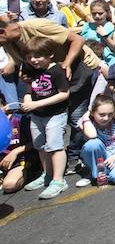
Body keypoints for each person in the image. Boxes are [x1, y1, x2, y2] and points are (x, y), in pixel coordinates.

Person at [0, 17, 99, 174]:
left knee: (76, 118)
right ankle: (54, 166)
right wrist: (25, 75)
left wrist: (66, 63)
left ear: (3, 32)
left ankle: (77, 157)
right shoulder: (10, 44)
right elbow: (24, 64)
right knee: (56, 120)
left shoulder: (36, 26)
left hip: (77, 67)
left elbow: (78, 39)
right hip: (51, 79)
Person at [20, 36, 70, 199]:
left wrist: (37, 105)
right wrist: (28, 101)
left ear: (50, 55)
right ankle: (47, 174)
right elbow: (29, 89)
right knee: (40, 146)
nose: (33, 60)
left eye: (37, 56)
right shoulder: (32, 70)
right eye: (29, 57)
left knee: (55, 146)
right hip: (37, 115)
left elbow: (64, 93)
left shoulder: (56, 71)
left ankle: (58, 179)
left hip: (54, 115)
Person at [76, 95, 115, 187]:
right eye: (102, 115)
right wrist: (86, 117)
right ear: (92, 113)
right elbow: (92, 135)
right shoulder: (86, 122)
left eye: (110, 114)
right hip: (98, 156)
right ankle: (96, 174)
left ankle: (101, 173)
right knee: (93, 144)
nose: (106, 118)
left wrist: (113, 158)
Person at [0, 106, 39, 193]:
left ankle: (30, 172)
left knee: (9, 185)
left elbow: (37, 142)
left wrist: (15, 152)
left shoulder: (19, 119)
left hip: (21, 159)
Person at [80, 0, 115, 67]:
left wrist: (105, 36)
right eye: (94, 13)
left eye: (100, 13)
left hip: (108, 61)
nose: (97, 16)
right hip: (90, 60)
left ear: (107, 13)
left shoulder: (111, 27)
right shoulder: (87, 26)